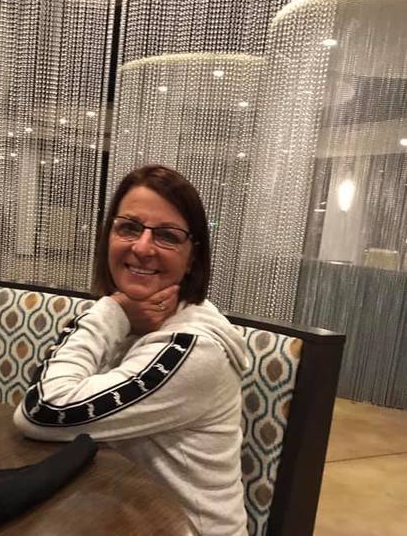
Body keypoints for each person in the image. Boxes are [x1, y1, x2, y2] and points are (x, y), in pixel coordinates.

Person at [14, 164, 248, 536]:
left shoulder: (193, 349)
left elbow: (42, 410)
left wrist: (109, 311)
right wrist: (115, 314)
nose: (142, 247)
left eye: (167, 236)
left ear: (192, 257)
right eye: (129, 227)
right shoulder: (131, 318)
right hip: (120, 518)